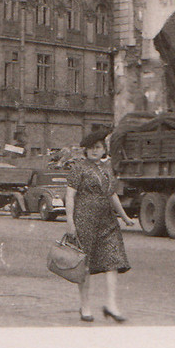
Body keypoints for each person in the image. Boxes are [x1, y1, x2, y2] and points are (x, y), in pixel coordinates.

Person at [65, 128, 133, 324]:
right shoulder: (78, 168)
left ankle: (111, 305)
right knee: (84, 266)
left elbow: (112, 195)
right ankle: (85, 306)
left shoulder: (106, 169)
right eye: (92, 148)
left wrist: (125, 217)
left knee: (113, 261)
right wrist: (70, 222)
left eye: (99, 147)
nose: (95, 151)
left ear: (104, 150)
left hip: (107, 221)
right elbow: (70, 196)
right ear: (85, 150)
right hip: (84, 220)